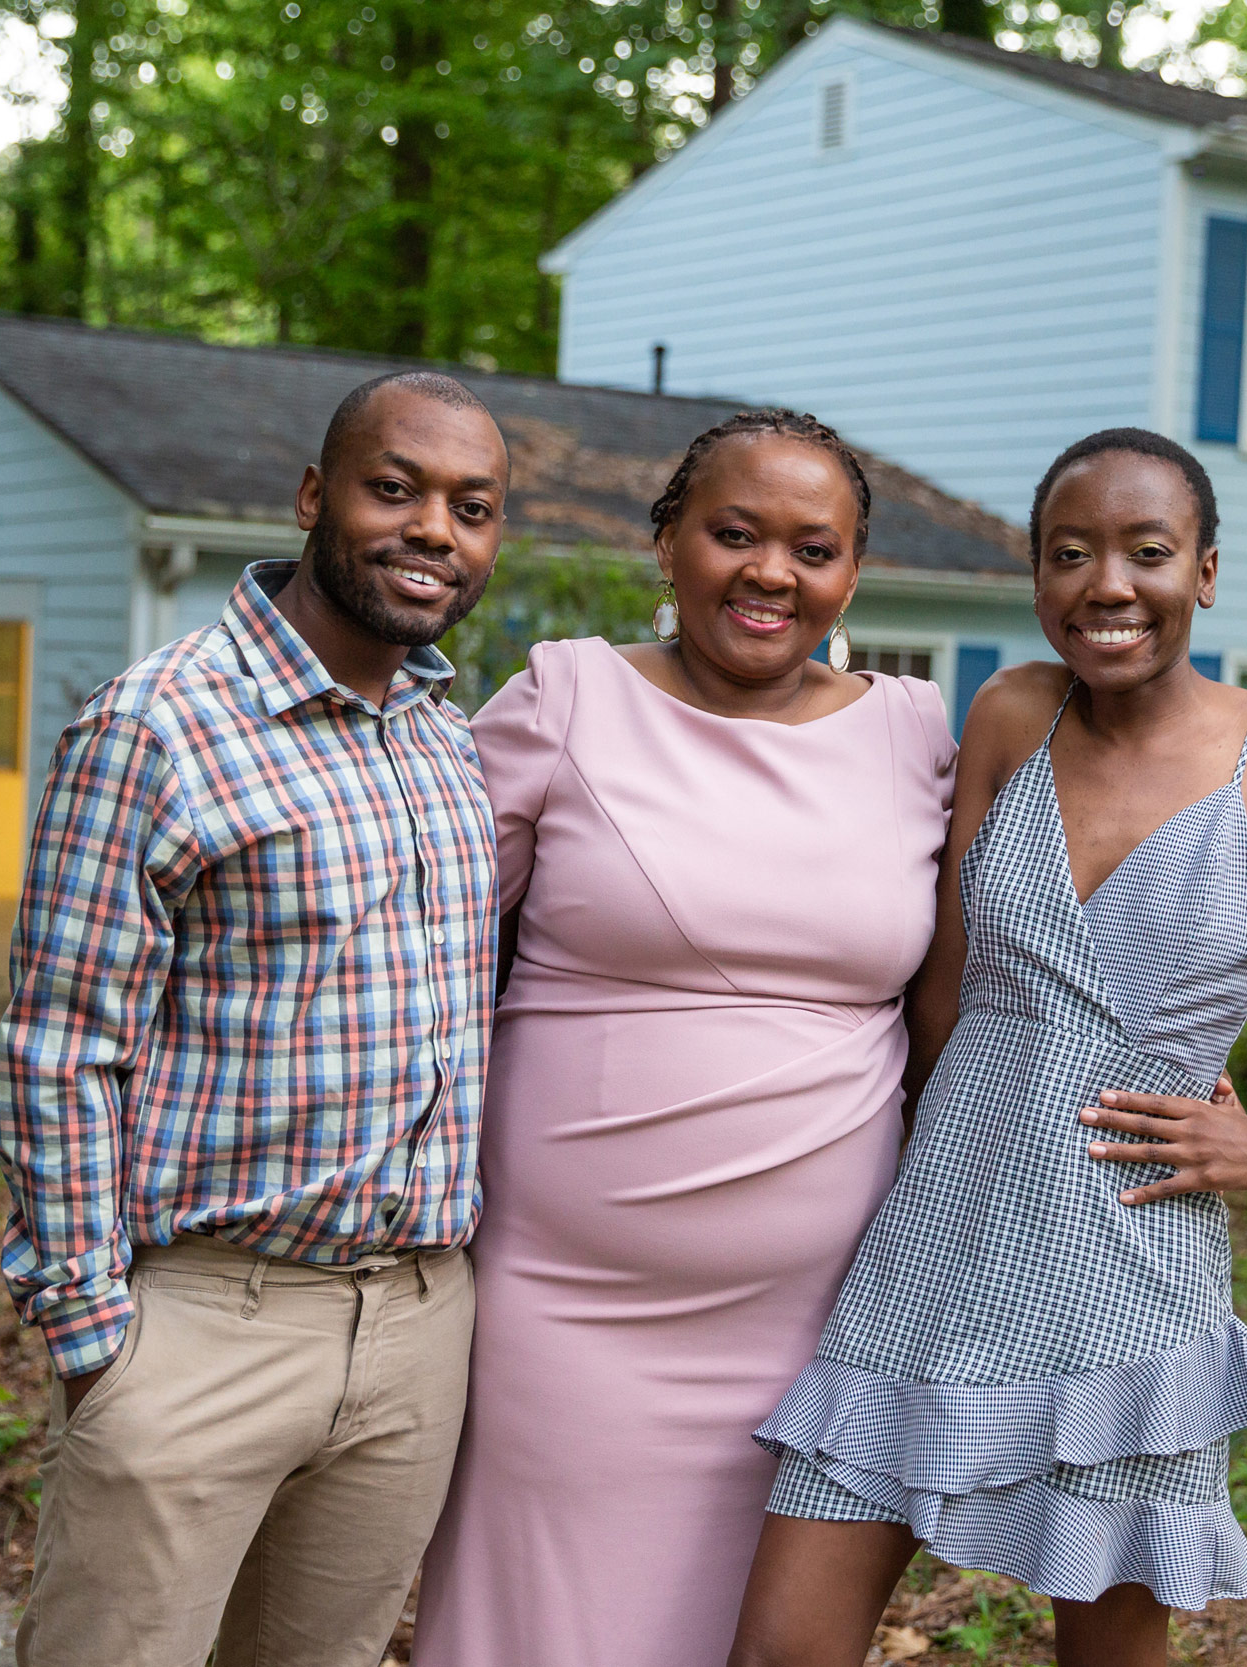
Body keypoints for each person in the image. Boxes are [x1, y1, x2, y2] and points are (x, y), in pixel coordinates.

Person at [734, 428, 1247, 1667]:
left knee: (1106, 1657)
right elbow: (941, 991)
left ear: (1206, 573)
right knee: (783, 1645)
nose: (1107, 584)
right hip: (938, 1236)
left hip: (1126, 1261)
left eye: (1147, 552)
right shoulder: (1013, 710)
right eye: (1070, 554)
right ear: (1037, 577)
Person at [409, 411, 957, 1667]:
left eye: (813, 548)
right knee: (532, 1627)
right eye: (734, 533)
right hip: (567, 1307)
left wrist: (1148, 1040)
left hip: (813, 1321)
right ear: (667, 543)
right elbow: (409, 929)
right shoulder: (565, 695)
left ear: (852, 573)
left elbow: (1012, 939)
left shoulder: (918, 731)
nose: (772, 572)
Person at [0, 370, 510, 1667]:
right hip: (206, 1324)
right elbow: (59, 1044)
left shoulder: (450, 746)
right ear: (313, 495)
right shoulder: (155, 725)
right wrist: (94, 1332)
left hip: (416, 1326)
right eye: (396, 488)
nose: (434, 529)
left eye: (473, 506)